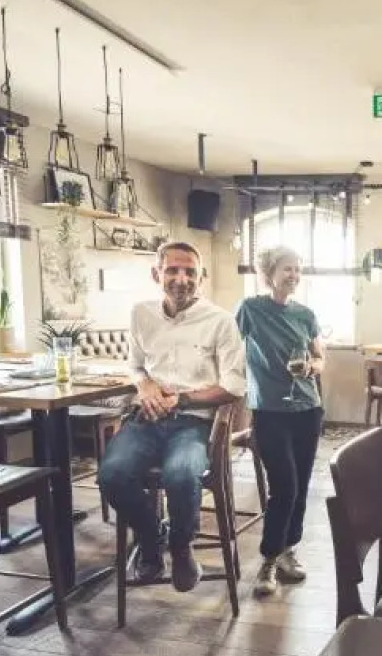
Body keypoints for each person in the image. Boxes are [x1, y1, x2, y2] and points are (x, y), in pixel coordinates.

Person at [97, 242, 247, 592]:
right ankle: (151, 540)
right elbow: (135, 365)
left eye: (190, 272)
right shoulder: (141, 313)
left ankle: (181, 547)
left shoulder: (220, 321)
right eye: (172, 270)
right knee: (112, 475)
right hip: (146, 419)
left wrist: (180, 400)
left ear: (201, 278)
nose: (182, 279)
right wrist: (145, 384)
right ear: (157, 274)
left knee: (180, 474)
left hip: (194, 423)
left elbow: (235, 385)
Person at [234, 246, 326, 598]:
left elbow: (320, 357)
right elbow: (228, 348)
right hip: (270, 411)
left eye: (298, 269)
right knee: (284, 486)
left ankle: (289, 550)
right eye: (287, 268)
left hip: (307, 408)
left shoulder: (306, 314)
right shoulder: (250, 309)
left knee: (300, 486)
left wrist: (313, 367)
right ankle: (269, 559)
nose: (294, 275)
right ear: (268, 272)